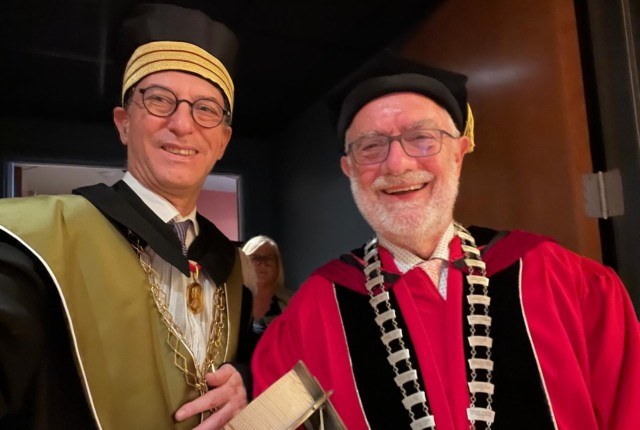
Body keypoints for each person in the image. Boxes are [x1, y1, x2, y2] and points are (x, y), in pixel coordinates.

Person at [251, 51, 640, 429]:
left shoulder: (567, 283)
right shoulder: (311, 316)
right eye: (370, 146)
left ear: (459, 152)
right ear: (349, 169)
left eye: (422, 138)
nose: (397, 164)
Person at [0, 4, 254, 429]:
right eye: (159, 100)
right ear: (123, 123)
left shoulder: (231, 266)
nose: (183, 124)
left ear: (223, 141)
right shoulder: (36, 245)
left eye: (206, 109)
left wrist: (246, 378)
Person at [242, 235, 288, 335]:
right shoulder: (228, 304)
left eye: (269, 258)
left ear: (278, 266)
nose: (263, 264)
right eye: (256, 258)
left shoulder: (292, 305)